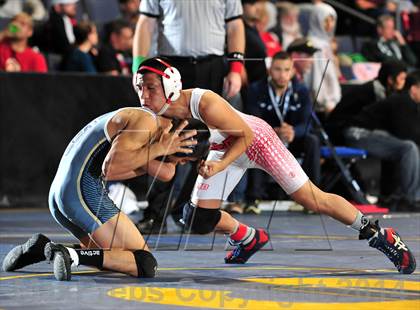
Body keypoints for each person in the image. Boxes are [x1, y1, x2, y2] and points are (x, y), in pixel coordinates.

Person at [133, 57, 416, 273]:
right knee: (196, 218)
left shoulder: (204, 101)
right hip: (225, 144)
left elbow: (244, 135)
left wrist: (217, 167)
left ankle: (379, 234)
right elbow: (170, 164)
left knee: (311, 198)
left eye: (151, 88)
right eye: (140, 87)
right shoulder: (156, 114)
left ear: (170, 85)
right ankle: (248, 238)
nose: (145, 96)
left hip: (256, 139)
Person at [2, 106, 211, 281]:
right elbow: (110, 169)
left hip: (62, 192)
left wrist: (159, 152)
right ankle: (69, 254)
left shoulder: (144, 123)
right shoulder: (146, 122)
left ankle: (44, 248)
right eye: (185, 160)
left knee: (113, 260)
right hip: (81, 191)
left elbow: (155, 172)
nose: (182, 165)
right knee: (144, 262)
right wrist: (158, 150)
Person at [132, 0, 245, 233]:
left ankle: (188, 210)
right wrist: (138, 67)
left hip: (211, 64)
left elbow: (235, 26)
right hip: (170, 65)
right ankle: (156, 215)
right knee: (162, 137)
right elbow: (145, 24)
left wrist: (236, 69)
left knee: (207, 141)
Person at [246, 51, 321, 203]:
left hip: (292, 139)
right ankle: (254, 197)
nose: (282, 74)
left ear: (293, 71)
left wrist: (293, 131)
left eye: (286, 70)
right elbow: (252, 119)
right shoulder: (255, 90)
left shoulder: (302, 91)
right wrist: (273, 132)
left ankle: (313, 196)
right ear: (269, 70)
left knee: (312, 140)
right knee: (252, 141)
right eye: (277, 69)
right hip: (266, 140)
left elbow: (307, 123)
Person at [344, 70, 420, 210]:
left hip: (374, 134)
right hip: (357, 133)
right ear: (414, 89)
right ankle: (410, 198)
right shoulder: (401, 101)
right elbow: (406, 134)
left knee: (410, 147)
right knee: (409, 147)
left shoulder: (411, 104)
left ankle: (407, 196)